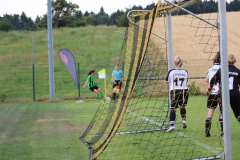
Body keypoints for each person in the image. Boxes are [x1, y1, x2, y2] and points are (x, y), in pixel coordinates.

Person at [210, 54, 240, 122]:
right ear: (234, 61)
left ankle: (223, 131)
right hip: (235, 94)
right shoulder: (238, 71)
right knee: (238, 113)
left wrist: (210, 88)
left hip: (223, 95)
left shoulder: (222, 70)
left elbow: (213, 80)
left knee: (223, 113)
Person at [166, 56, 189, 132]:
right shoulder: (185, 72)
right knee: (182, 106)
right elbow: (186, 81)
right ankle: (184, 121)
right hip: (183, 91)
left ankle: (172, 125)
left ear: (174, 63)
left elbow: (167, 81)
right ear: (181, 63)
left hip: (174, 91)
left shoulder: (171, 72)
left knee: (173, 108)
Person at [205, 52, 223, 137]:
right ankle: (223, 132)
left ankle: (207, 132)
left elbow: (207, 80)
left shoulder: (210, 69)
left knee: (210, 112)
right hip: (221, 93)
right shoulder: (223, 68)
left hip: (212, 93)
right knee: (222, 112)